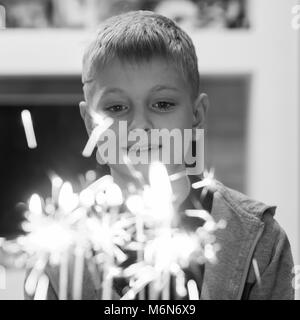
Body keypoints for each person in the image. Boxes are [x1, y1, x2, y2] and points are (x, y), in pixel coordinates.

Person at [28, 10, 294, 300]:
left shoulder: (259, 238)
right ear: (91, 123)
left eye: (163, 104)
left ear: (197, 115)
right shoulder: (55, 246)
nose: (140, 125)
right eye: (116, 108)